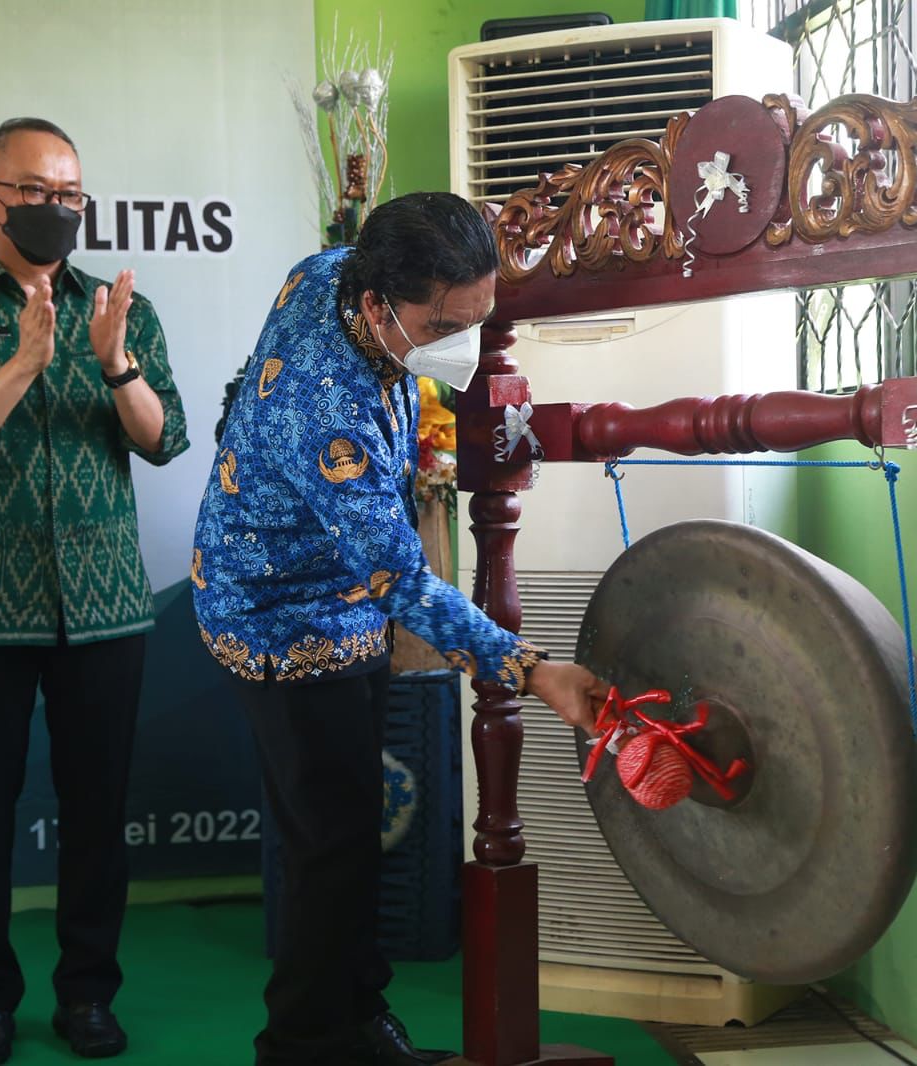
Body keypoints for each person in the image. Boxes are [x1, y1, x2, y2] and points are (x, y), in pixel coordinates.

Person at [193, 191, 608, 1066]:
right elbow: (402, 582)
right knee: (329, 848)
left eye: (479, 315)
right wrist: (532, 669)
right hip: (280, 616)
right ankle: (304, 1046)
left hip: (334, 592)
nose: (462, 339)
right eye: (445, 322)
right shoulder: (326, 410)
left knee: (348, 833)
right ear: (380, 306)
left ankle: (359, 1021)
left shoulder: (328, 272)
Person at [0, 117, 188, 1066]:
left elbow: (162, 438)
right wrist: (23, 357)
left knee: (98, 810)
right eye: (35, 193)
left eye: (71, 196)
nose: (57, 211)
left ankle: (87, 995)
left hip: (104, 605)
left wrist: (113, 361)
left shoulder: (121, 307)